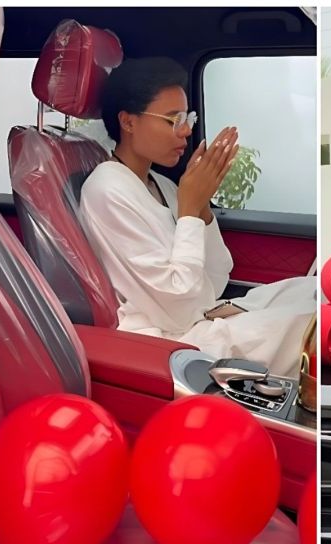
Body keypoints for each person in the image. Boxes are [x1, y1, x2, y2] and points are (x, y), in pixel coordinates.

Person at [80, 57, 314, 376]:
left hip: (196, 315)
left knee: (309, 290)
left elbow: (217, 277)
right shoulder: (107, 188)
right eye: (172, 119)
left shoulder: (161, 184)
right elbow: (177, 310)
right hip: (170, 341)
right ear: (129, 121)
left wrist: (201, 209)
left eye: (187, 117)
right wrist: (188, 209)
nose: (187, 131)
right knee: (307, 320)